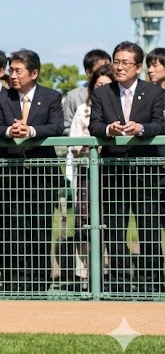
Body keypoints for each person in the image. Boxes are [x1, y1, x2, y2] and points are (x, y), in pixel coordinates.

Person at [89, 41, 165, 294]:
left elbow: (160, 124)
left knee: (149, 228)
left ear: (138, 67)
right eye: (116, 62)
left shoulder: (153, 92)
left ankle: (151, 282)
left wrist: (141, 128)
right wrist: (108, 129)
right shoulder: (103, 93)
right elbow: (94, 125)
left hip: (145, 170)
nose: (119, 67)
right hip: (113, 169)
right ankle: (118, 282)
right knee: (115, 228)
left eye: (125, 63)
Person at [0, 49, 64, 292]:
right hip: (10, 176)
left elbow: (57, 127)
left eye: (18, 71)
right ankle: (13, 282)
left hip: (42, 177)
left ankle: (39, 282)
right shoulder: (3, 98)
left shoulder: (51, 96)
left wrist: (31, 131)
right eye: (11, 70)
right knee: (10, 229)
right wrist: (10, 131)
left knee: (40, 229)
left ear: (34, 73)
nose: (13, 75)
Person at [65, 64, 113, 290]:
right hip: (84, 172)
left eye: (106, 85)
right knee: (83, 221)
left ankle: (107, 271)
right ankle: (84, 272)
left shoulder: (118, 110)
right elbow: (73, 142)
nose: (101, 89)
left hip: (110, 171)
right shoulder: (83, 109)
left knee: (109, 221)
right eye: (98, 85)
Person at [62, 49, 111, 129]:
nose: (105, 72)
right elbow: (66, 127)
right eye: (100, 69)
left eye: (108, 68)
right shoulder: (74, 97)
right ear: (88, 72)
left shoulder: (119, 92)